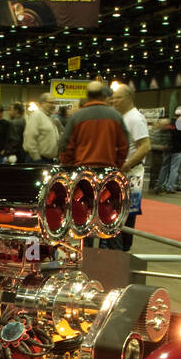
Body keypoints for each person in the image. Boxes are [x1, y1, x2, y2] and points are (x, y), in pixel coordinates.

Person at [58, 82, 130, 248]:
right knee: (109, 217)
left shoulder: (77, 117)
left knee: (82, 218)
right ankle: (113, 258)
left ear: (88, 95)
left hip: (83, 176)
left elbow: (65, 146)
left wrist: (70, 168)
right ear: (104, 96)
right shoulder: (116, 116)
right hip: (108, 175)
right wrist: (116, 166)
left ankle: (86, 256)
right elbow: (124, 146)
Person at [111, 84, 150, 249]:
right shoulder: (123, 117)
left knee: (126, 213)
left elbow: (145, 145)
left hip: (130, 172)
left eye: (118, 98)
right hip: (122, 171)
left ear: (128, 98)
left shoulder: (134, 118)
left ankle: (124, 248)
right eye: (113, 98)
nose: (114, 101)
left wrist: (127, 164)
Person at [23, 94, 58, 164]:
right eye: (51, 103)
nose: (54, 105)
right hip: (38, 161)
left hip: (48, 161)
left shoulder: (49, 117)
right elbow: (29, 140)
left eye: (55, 103)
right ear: (42, 103)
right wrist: (37, 159)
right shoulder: (36, 116)